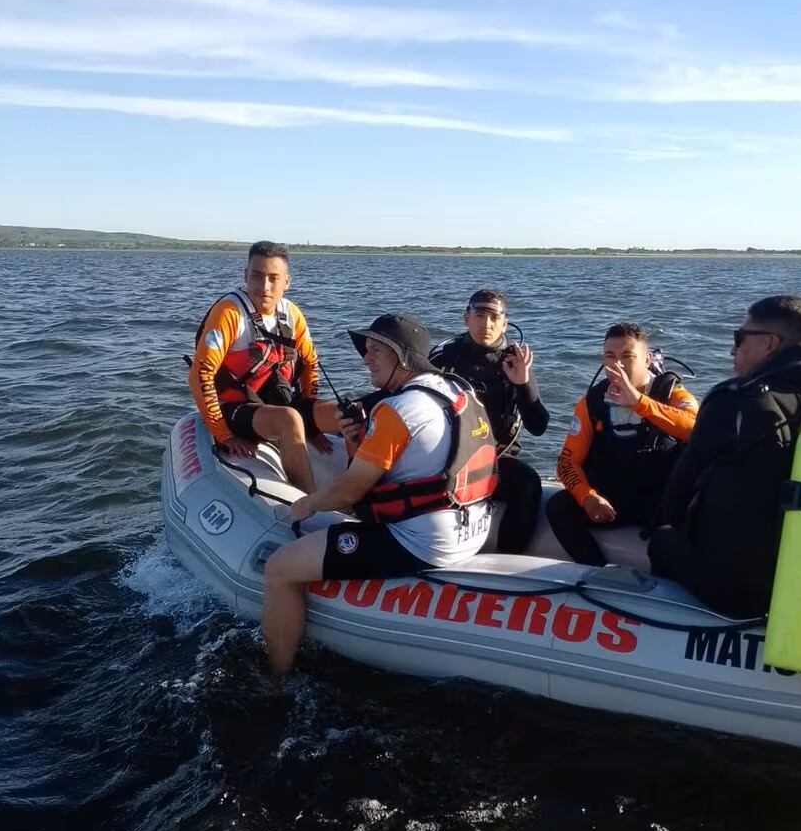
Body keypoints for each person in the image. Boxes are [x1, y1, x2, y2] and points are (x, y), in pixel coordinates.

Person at [262, 313, 497, 673]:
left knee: (279, 568)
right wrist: (357, 441)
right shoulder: (457, 390)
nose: (366, 358)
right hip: (473, 529)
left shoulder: (397, 409)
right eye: (365, 350)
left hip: (425, 541)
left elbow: (348, 493)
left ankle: (277, 675)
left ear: (402, 357)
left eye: (376, 350)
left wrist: (305, 504)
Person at [648, 296, 801, 615]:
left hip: (738, 592)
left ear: (770, 344)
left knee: (663, 540)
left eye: (739, 338)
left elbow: (676, 499)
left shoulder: (736, 401)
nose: (732, 349)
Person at [188, 241, 343, 493]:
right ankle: (310, 504)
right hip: (236, 409)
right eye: (257, 276)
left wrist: (311, 422)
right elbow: (200, 375)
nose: (264, 286)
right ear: (245, 276)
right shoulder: (229, 313)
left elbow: (310, 364)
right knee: (290, 419)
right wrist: (223, 434)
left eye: (273, 278)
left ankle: (368, 496)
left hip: (277, 404)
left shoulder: (291, 314)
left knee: (349, 412)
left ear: (287, 282)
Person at [547, 323, 698, 566]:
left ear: (647, 359)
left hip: (662, 500)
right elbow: (567, 461)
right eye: (610, 356)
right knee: (558, 507)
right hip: (614, 497)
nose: (618, 364)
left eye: (628, 356)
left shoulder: (672, 394)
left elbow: (695, 429)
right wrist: (587, 497)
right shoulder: (591, 403)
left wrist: (639, 401)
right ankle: (596, 572)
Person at [429, 289, 550, 553]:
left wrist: (523, 384)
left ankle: (507, 560)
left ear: (504, 323)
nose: (487, 324)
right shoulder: (444, 356)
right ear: (466, 318)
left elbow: (539, 426)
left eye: (494, 317)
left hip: (495, 459)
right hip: (445, 456)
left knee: (528, 483)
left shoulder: (514, 361)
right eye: (480, 315)